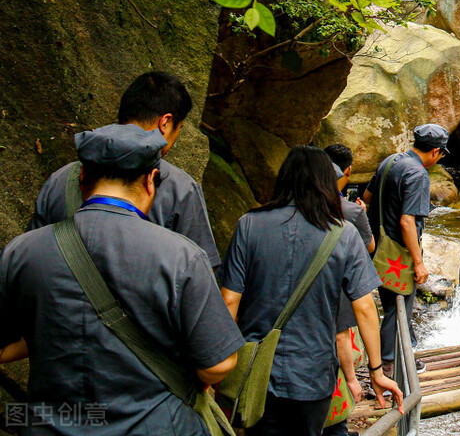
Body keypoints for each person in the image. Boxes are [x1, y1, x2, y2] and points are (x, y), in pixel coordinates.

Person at [0, 124, 244, 434]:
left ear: (82, 179)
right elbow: (218, 364)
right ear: (150, 181)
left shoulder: (22, 252)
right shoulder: (182, 257)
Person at [221, 146, 402, 436]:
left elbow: (229, 299)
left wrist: (218, 364)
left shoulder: (249, 225)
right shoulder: (344, 235)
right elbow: (366, 308)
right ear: (326, 183)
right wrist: (377, 371)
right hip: (313, 374)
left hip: (256, 373)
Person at [29, 71, 221, 268]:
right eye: (178, 129)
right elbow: (199, 273)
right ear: (165, 122)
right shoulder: (180, 189)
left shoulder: (60, 179)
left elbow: (30, 258)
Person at [361, 124, 447, 376]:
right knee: (398, 306)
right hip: (397, 253)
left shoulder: (390, 161)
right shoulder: (418, 174)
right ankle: (388, 366)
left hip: (377, 245)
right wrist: (419, 263)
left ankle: (404, 355)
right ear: (434, 152)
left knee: (392, 304)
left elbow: (367, 197)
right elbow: (407, 221)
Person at [323, 144, 374, 433]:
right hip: (340, 293)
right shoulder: (350, 212)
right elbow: (370, 246)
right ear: (347, 172)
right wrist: (365, 375)